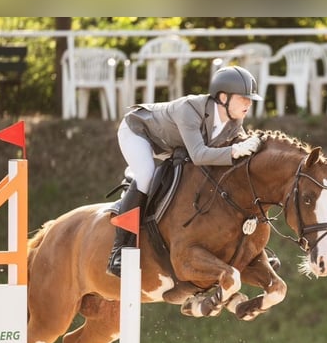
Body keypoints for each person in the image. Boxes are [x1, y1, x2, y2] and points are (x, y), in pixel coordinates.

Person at [107, 65, 263, 277]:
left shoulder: (235, 121)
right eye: (243, 98)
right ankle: (120, 250)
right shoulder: (190, 109)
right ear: (223, 97)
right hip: (138, 132)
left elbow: (234, 156)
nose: (249, 103)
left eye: (250, 98)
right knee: (146, 176)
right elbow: (199, 155)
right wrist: (235, 150)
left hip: (172, 145)